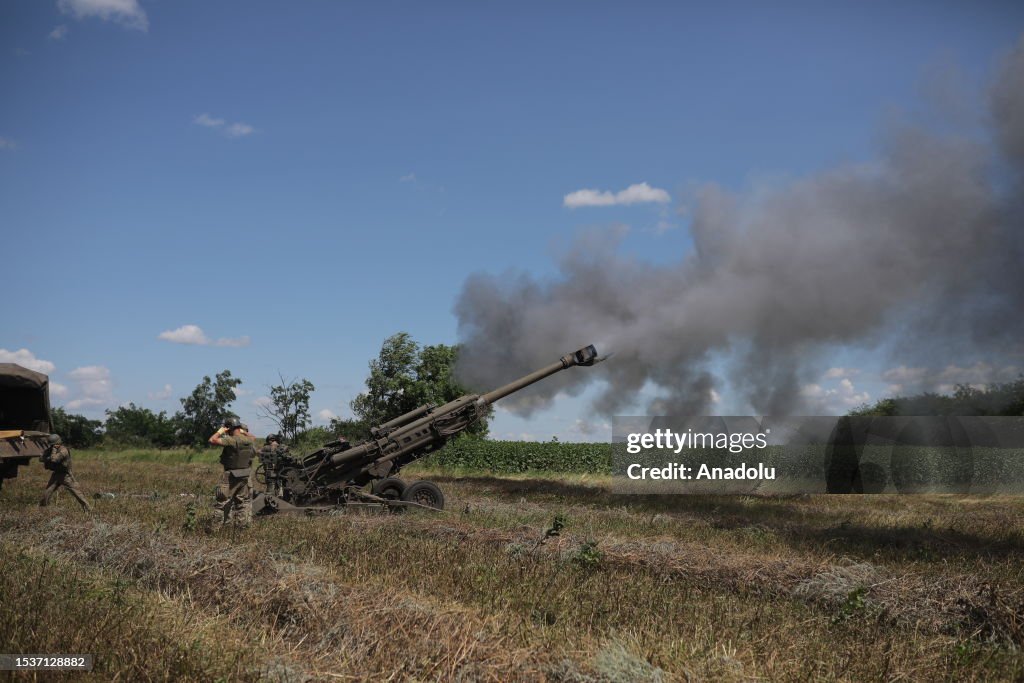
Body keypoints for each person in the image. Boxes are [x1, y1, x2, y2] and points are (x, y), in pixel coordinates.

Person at [208, 416, 258, 527]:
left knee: (221, 501)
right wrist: (243, 432)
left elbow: (212, 440)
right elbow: (253, 437)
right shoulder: (248, 440)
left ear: (229, 427)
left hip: (230, 476)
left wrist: (220, 431)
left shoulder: (231, 440)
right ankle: (242, 527)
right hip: (244, 475)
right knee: (242, 503)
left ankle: (215, 528)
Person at [39, 434, 91, 511]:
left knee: (76, 492)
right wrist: (48, 455)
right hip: (56, 474)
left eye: (53, 445)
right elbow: (41, 458)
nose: (52, 446)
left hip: (65, 475)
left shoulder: (63, 450)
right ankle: (42, 509)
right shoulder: (50, 449)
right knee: (47, 492)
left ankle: (88, 509)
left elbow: (54, 460)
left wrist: (53, 452)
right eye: (51, 445)